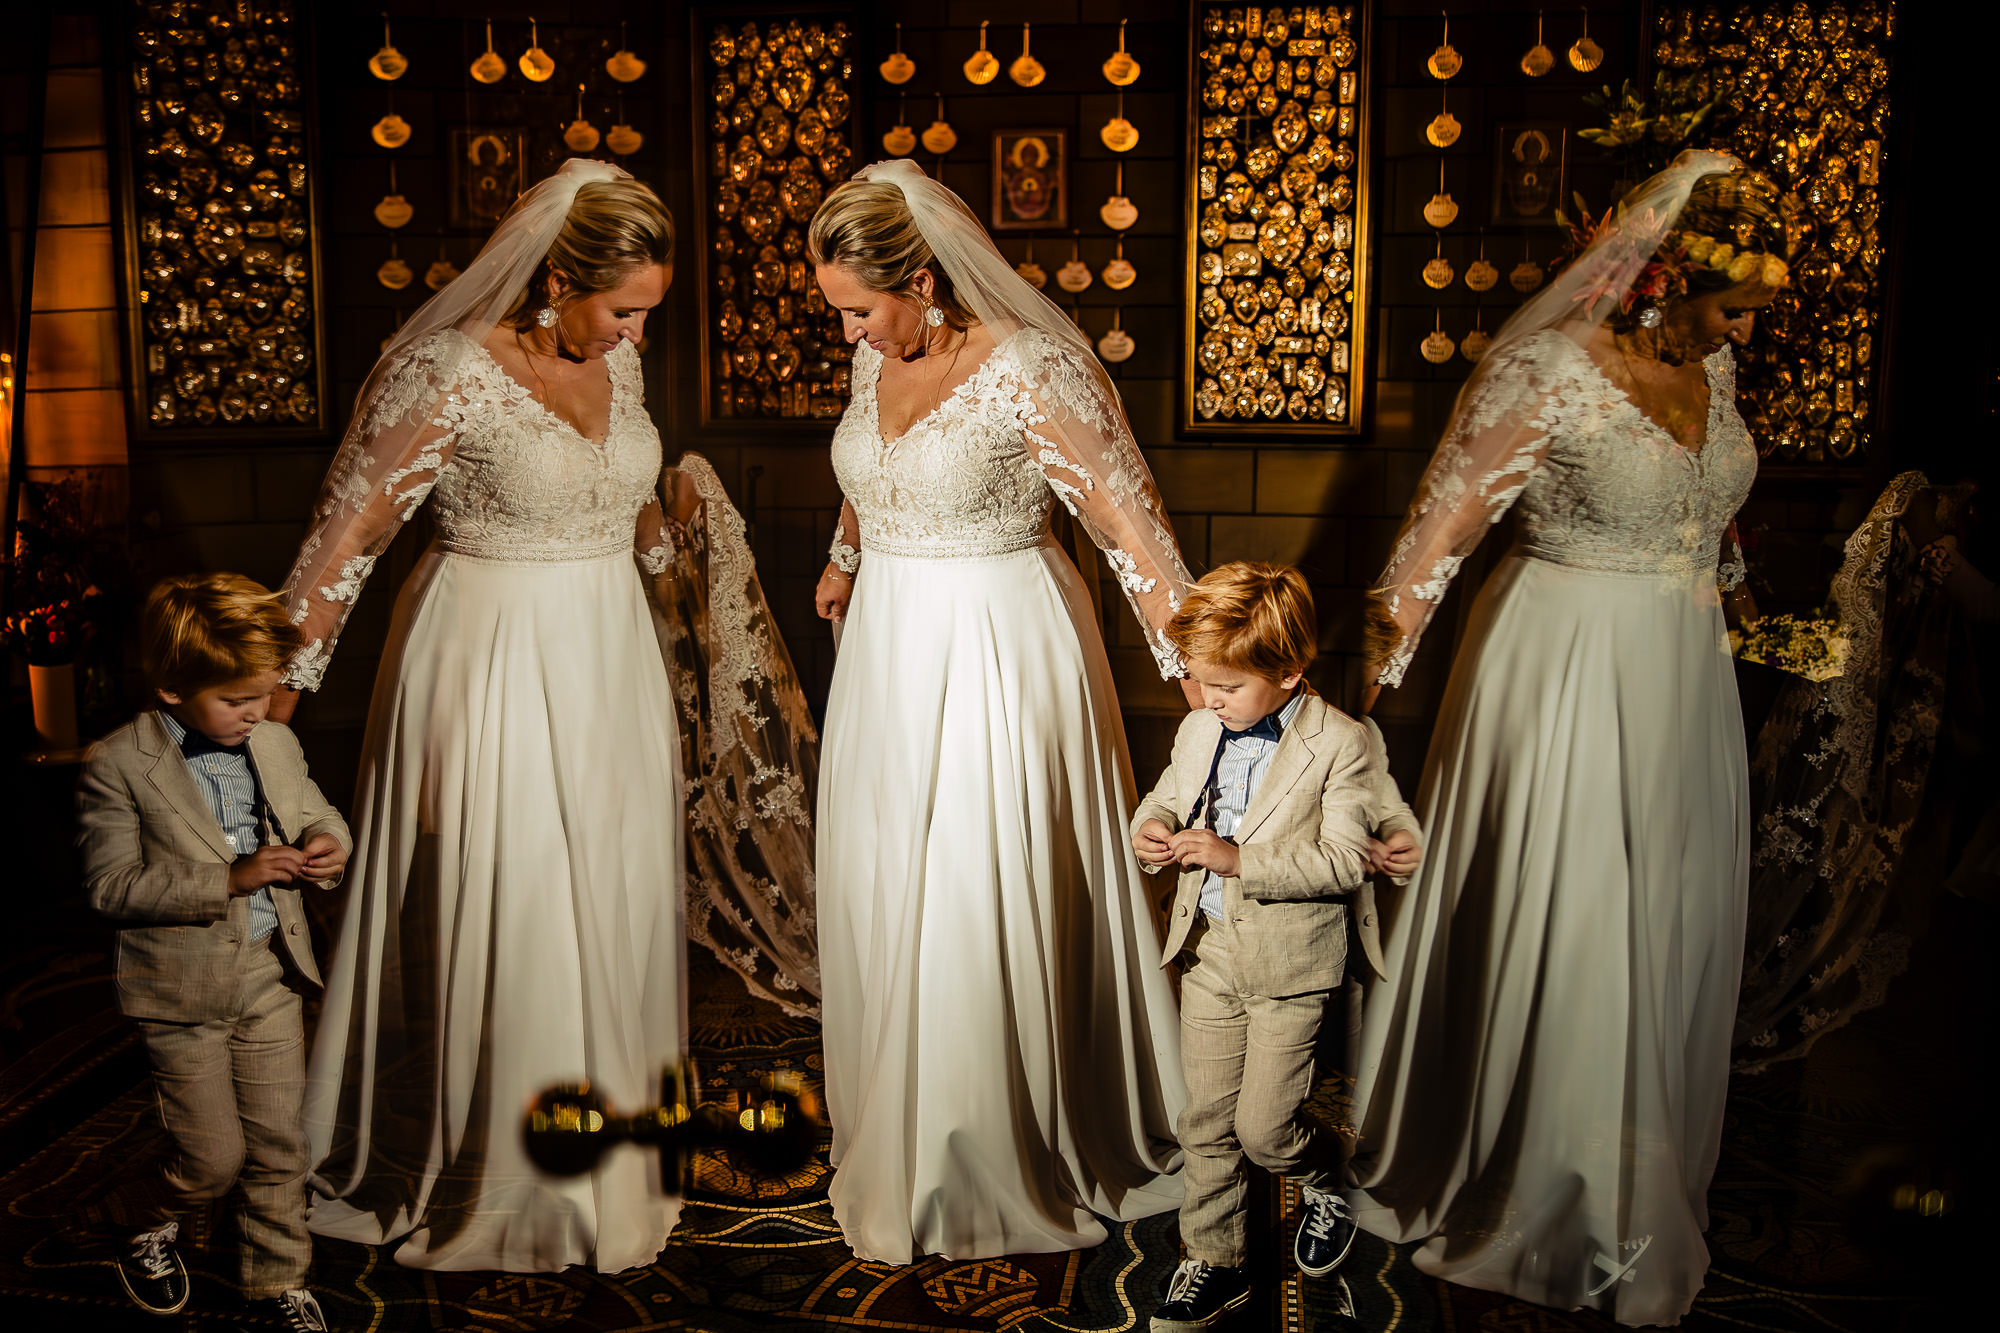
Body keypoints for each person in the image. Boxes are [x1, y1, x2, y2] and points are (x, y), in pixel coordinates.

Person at [1346, 150, 1784, 1325]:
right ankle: (1545, 1176)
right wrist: (1340, 720)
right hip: (1561, 667)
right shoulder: (1542, 370)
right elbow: (1428, 550)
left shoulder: (1716, 363)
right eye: (1730, 307)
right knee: (1577, 908)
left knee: (1662, 916)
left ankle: (1635, 1162)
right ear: (1662, 277)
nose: (1738, 332)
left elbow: (1709, 513)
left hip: (1681, 678)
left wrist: (1744, 608)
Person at [269, 159, 688, 1272]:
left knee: (610, 891)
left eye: (647, 310)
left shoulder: (623, 359)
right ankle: (516, 1174)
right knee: (525, 900)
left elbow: (623, 488)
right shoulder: (448, 370)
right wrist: (277, 689)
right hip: (492, 653)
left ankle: (609, 1151)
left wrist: (661, 534)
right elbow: (349, 536)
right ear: (558, 275)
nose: (631, 331)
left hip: (610, 651)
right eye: (620, 307)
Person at [808, 158, 1195, 1265]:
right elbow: (868, 462)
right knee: (895, 878)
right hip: (886, 649)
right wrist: (845, 553)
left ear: (922, 278)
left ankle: (982, 1136)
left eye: (862, 309)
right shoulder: (876, 354)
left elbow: (1128, 528)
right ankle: (904, 1112)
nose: (852, 336)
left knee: (975, 883)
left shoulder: (1030, 368)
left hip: (994, 645)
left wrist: (1212, 695)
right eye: (839, 313)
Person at [1130, 563, 1419, 1331]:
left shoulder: (1341, 742)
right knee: (1208, 1123)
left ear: (1289, 671)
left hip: (1293, 966)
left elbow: (1339, 861)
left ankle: (1324, 1173)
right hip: (1213, 952)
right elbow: (1165, 795)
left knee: (1264, 1129)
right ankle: (1215, 1258)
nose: (1209, 700)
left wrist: (1237, 859)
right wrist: (1150, 829)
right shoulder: (1200, 726)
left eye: (1226, 687)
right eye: (1199, 682)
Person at [76, 573, 353, 1333]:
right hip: (180, 993)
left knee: (278, 1146)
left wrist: (330, 844)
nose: (256, 711)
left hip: (269, 974)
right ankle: (136, 1215)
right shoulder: (118, 763)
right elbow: (110, 886)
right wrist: (228, 878)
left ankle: (276, 1279)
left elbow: (319, 811)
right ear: (172, 687)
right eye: (237, 699)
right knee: (212, 1157)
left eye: (263, 694)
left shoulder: (275, 740)